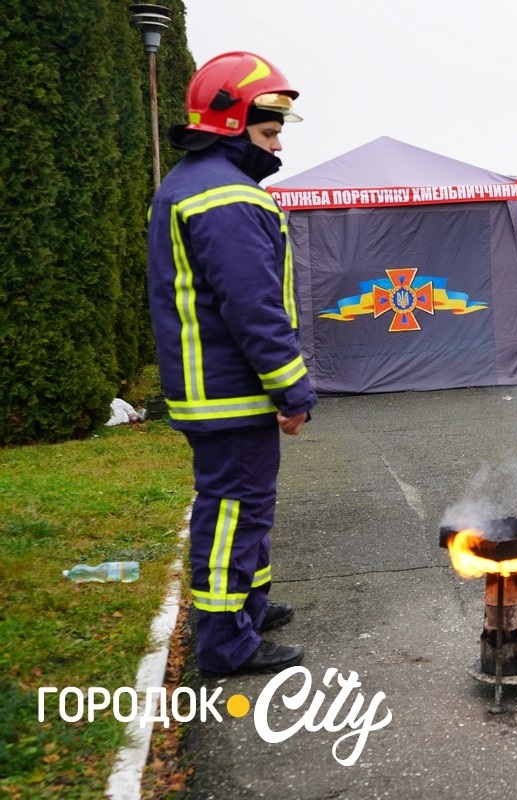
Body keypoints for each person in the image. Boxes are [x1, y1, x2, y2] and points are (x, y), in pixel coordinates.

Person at [147, 51, 315, 677]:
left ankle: (246, 605)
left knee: (246, 507)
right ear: (230, 121)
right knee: (234, 513)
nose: (277, 148)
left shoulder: (194, 183)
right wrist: (292, 387)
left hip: (213, 386)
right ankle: (225, 643)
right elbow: (253, 308)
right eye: (269, 133)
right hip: (228, 388)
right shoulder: (227, 197)